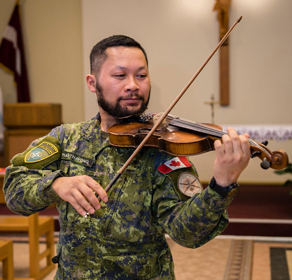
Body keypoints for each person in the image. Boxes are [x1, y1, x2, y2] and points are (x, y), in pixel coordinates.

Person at [3, 35, 250, 279]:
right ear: (92, 82)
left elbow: (187, 234)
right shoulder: (67, 138)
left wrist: (221, 186)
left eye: (141, 75)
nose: (133, 84)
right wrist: (57, 183)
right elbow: (14, 191)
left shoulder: (162, 150)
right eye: (120, 76)